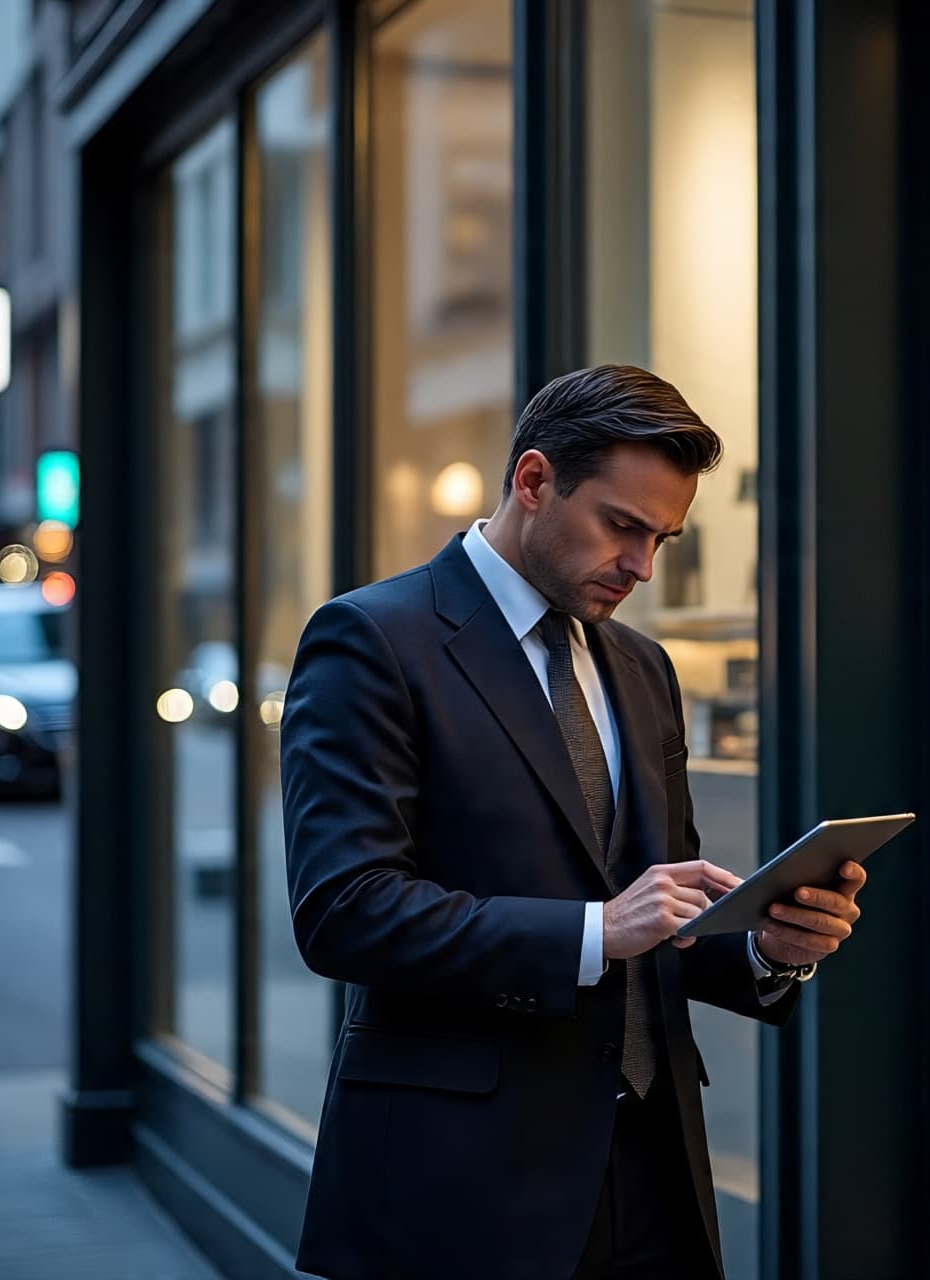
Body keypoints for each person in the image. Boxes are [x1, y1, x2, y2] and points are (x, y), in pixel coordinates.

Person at [280, 365, 867, 1280]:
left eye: (663, 538)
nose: (641, 565)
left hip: (652, 1165)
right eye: (622, 526)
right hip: (461, 1178)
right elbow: (344, 910)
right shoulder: (371, 640)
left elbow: (657, 909)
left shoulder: (641, 665)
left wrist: (768, 946)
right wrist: (596, 931)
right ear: (533, 480)